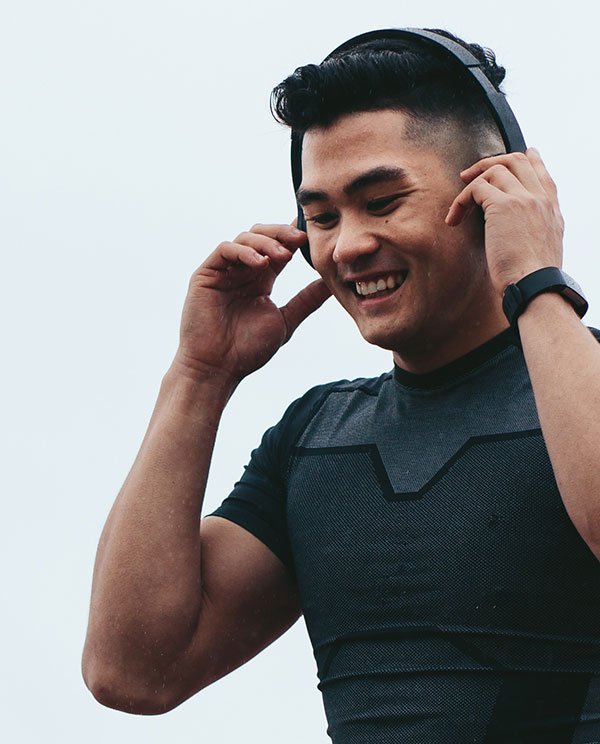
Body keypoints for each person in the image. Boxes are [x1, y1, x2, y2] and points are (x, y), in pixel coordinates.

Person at [82, 28, 600, 742]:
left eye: (382, 201)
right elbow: (132, 670)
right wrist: (199, 376)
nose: (346, 246)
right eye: (321, 217)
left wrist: (535, 281)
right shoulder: (317, 439)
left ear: (496, 193)